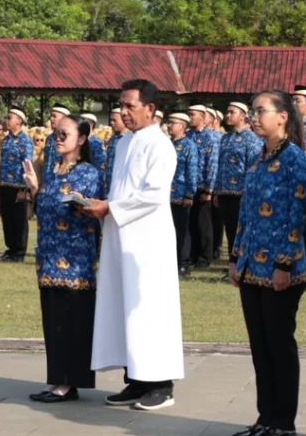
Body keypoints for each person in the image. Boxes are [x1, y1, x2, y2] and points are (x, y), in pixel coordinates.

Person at [85, 79, 183, 412]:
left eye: (130, 106)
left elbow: (153, 195)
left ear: (150, 108)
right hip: (121, 236)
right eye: (121, 105)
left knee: (149, 308)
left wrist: (111, 208)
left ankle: (161, 384)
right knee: (125, 307)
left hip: (148, 240)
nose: (123, 112)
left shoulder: (160, 145)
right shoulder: (125, 142)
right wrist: (102, 206)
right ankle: (137, 378)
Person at [228, 90, 306, 436]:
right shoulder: (258, 159)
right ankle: (265, 416)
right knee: (260, 345)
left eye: (261, 110)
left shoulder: (296, 159)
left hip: (281, 268)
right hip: (251, 267)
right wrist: (235, 257)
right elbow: (246, 213)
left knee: (279, 343)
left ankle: (283, 420)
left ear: (283, 116)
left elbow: (299, 216)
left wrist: (284, 264)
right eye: (252, 111)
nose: (254, 117)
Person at [24, 115, 102, 403]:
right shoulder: (54, 170)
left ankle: (70, 382)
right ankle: (57, 378)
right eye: (56, 133)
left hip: (75, 260)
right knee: (54, 321)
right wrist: (35, 188)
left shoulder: (88, 173)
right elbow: (46, 209)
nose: (57, 138)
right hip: (48, 256)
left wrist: (81, 203)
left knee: (73, 321)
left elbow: (88, 209)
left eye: (64, 134)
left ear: (81, 139)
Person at [215, 102, 262, 269]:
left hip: (241, 193)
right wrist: (217, 191)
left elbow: (253, 167)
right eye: (227, 112)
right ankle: (232, 266)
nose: (228, 115)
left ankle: (244, 266)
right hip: (225, 192)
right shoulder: (225, 138)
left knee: (241, 231)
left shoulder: (251, 138)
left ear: (243, 116)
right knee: (230, 231)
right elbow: (220, 166)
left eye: (232, 112)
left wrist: (249, 192)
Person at [0, 108, 34, 263]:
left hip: (18, 185)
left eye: (10, 118)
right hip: (5, 183)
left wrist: (24, 188)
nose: (7, 120)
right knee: (8, 219)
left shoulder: (25, 140)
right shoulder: (6, 139)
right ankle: (10, 249)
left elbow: (27, 165)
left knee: (19, 220)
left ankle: (19, 251)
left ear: (19, 120)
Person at [187, 104, 219, 269]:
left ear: (202, 116)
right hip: (188, 186)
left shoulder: (210, 137)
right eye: (189, 114)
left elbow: (212, 164)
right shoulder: (187, 135)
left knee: (203, 224)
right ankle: (192, 254)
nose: (190, 117)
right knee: (190, 223)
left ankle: (205, 256)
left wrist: (209, 189)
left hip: (202, 185)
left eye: (193, 114)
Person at [168, 113, 199, 277]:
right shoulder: (167, 144)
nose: (169, 125)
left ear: (182, 126)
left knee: (182, 230)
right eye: (169, 122)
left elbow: (192, 171)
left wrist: (189, 194)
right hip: (165, 194)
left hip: (180, 194)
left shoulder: (189, 146)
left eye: (172, 123)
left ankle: (183, 263)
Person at [103, 106, 126, 198]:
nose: (111, 123)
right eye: (110, 120)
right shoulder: (113, 138)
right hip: (108, 184)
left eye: (114, 120)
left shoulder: (128, 139)